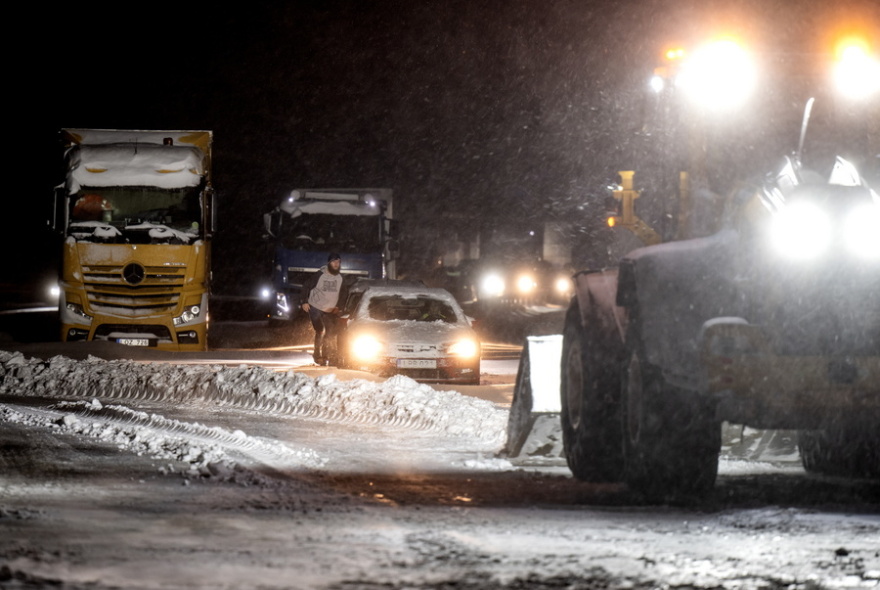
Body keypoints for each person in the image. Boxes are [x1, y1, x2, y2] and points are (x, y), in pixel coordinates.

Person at [300, 253, 350, 365]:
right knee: (321, 330)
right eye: (334, 262)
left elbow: (344, 293)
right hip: (316, 307)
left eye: (338, 262)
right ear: (329, 263)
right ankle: (317, 354)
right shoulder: (319, 275)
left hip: (330, 310)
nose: (336, 264)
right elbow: (306, 286)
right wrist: (304, 301)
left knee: (331, 333)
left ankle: (327, 355)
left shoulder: (341, 278)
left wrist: (340, 306)